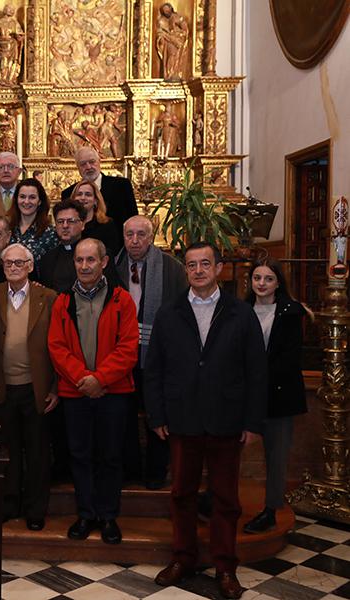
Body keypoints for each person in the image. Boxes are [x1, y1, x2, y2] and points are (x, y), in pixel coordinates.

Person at [145, 242, 267, 600]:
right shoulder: (170, 313)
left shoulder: (240, 314)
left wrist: (252, 421)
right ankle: (184, 558)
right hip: (182, 420)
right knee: (181, 494)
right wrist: (157, 414)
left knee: (226, 499)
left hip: (226, 420)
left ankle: (226, 567)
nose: (198, 270)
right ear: (186, 271)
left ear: (218, 269)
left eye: (205, 264)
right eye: (191, 265)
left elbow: (256, 372)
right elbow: (154, 370)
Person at [48, 238, 138, 546]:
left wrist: (100, 379)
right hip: (76, 394)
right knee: (81, 455)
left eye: (90, 260)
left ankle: (108, 516)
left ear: (104, 262)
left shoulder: (121, 299)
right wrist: (81, 379)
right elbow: (56, 347)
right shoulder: (63, 301)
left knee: (110, 455)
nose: (84, 266)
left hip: (113, 392)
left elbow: (128, 349)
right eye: (79, 260)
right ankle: (86, 513)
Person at [0, 243, 57, 530]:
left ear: (29, 266)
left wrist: (55, 386)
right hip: (3, 386)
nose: (13, 268)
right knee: (7, 450)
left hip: (37, 387)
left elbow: (59, 345)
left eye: (19, 263)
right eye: (8, 264)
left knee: (38, 451)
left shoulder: (47, 297)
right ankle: (10, 503)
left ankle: (35, 509)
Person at [114, 215, 187, 489]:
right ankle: (129, 468)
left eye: (141, 234)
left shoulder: (172, 269)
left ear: (151, 235)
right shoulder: (114, 265)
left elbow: (181, 312)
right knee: (123, 414)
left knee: (157, 413)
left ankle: (157, 470)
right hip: (121, 355)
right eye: (129, 234)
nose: (134, 240)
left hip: (158, 356)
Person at [243, 259, 309, 534]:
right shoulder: (240, 310)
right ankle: (216, 500)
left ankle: (270, 510)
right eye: (257, 278)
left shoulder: (291, 313)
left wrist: (260, 381)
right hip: (244, 394)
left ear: (278, 283)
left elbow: (288, 359)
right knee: (226, 448)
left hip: (278, 393)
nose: (261, 283)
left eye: (268, 279)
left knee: (276, 454)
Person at [62, 146, 137, 250]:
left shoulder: (121, 186)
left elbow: (133, 218)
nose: (88, 167)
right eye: (83, 164)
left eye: (92, 162)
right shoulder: (68, 193)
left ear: (99, 161)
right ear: (77, 167)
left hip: (119, 251)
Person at [7, 177, 59, 262]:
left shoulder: (50, 234)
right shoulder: (8, 228)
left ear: (39, 201)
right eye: (22, 197)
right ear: (16, 199)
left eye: (32, 197)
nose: (26, 201)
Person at [71, 178, 121, 261]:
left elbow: (112, 253)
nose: (83, 198)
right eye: (79, 194)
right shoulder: (68, 224)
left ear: (95, 201)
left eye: (88, 194)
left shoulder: (107, 224)